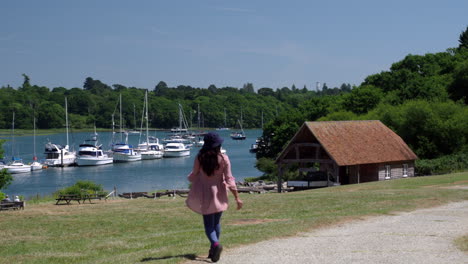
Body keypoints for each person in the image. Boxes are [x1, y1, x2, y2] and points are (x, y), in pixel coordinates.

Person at [186, 132, 243, 263]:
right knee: (216, 222)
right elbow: (230, 179)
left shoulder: (200, 157)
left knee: (208, 225)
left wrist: (190, 178)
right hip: (220, 193)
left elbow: (194, 174)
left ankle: (215, 245)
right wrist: (237, 197)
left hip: (205, 194)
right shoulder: (224, 158)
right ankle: (213, 250)